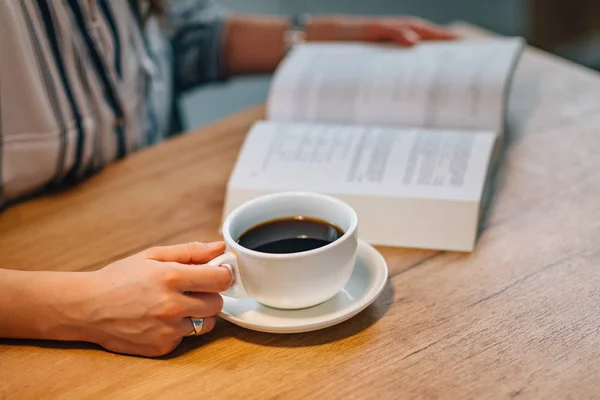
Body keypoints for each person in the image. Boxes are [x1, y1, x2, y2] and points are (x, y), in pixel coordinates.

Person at [0, 0, 456, 357]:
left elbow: (174, 39)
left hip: (163, 194)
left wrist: (336, 38)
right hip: (44, 264)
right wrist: (81, 307)